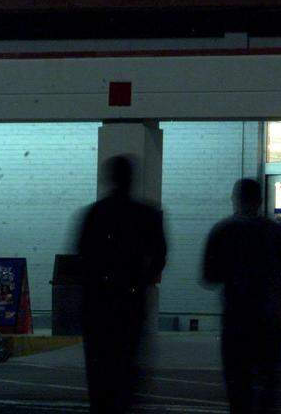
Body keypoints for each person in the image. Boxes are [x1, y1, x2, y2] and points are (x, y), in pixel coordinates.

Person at [203, 178, 281, 414]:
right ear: (260, 201)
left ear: (236, 199)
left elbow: (209, 275)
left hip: (236, 319)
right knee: (269, 388)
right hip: (269, 319)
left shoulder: (222, 231)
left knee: (239, 389)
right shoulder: (276, 232)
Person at [76, 155, 168, 414]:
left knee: (99, 373)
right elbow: (160, 257)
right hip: (131, 303)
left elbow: (82, 258)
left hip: (98, 304)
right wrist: (141, 282)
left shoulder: (95, 213)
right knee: (127, 368)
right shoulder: (147, 214)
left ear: (110, 179)